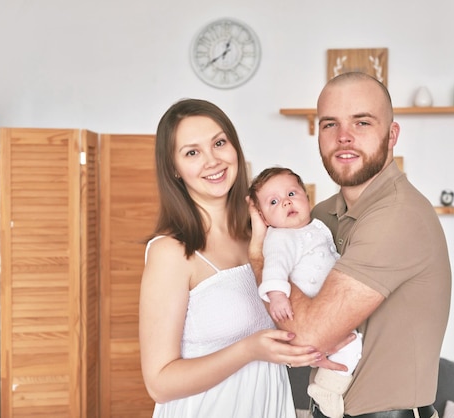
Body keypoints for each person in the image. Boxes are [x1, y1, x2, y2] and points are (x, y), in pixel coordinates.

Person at [248, 72, 452, 418]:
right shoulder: (320, 216)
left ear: (392, 135)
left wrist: (256, 254)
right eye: (330, 125)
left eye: (361, 122)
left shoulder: (399, 216)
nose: (344, 137)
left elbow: (307, 335)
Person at [138, 98, 324, 418]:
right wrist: (250, 350)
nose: (212, 161)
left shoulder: (263, 236)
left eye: (219, 143)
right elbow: (159, 383)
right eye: (192, 152)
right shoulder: (170, 252)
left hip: (269, 404)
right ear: (174, 168)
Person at [248, 166, 363, 418]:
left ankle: (327, 378)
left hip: (327, 301)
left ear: (306, 196)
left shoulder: (317, 226)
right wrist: (276, 294)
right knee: (353, 346)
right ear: (265, 219)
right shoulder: (281, 238)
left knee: (352, 343)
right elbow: (274, 266)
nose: (286, 201)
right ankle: (326, 389)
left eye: (292, 193)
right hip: (313, 306)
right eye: (274, 201)